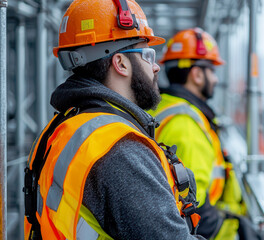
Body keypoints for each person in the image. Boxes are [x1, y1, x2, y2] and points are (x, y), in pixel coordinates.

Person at [23, 0, 203, 239]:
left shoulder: (63, 127)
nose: (156, 67)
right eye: (148, 55)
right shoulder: (120, 150)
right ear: (120, 63)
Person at [149, 28, 254, 240]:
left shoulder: (163, 108)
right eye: (212, 71)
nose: (215, 79)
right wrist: (236, 230)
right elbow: (193, 213)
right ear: (197, 75)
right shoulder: (186, 125)